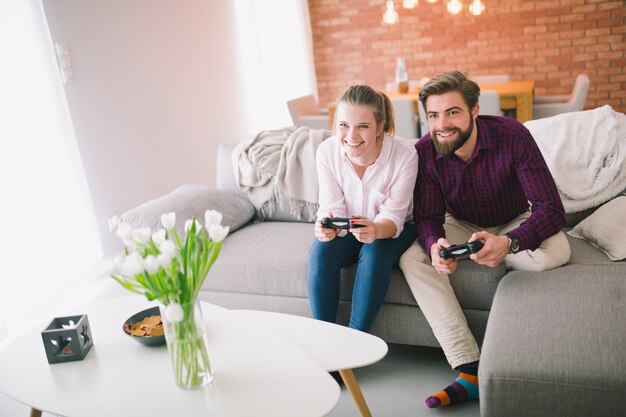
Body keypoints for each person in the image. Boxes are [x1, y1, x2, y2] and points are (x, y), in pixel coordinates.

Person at [399, 71, 571, 409]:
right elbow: (428, 217)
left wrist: (507, 243)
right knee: (413, 258)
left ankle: (491, 251)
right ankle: (469, 367)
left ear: (474, 110)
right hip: (461, 223)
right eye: (433, 115)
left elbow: (551, 209)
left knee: (556, 252)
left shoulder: (514, 136)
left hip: (514, 219)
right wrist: (436, 244)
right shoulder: (425, 151)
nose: (441, 125)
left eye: (452, 112)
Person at [307, 84, 418, 335]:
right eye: (344, 125)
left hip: (392, 230)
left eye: (363, 126)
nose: (351, 135)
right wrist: (325, 226)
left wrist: (376, 229)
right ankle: (323, 340)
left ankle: (354, 343)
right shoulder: (327, 151)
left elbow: (394, 216)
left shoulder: (405, 155)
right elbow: (331, 207)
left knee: (374, 251)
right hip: (349, 228)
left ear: (380, 128)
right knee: (320, 250)